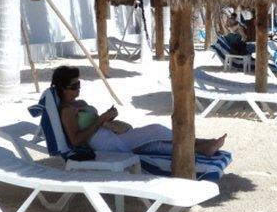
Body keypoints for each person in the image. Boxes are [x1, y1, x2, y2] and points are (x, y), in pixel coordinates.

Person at [50, 66, 227, 155]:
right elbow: (76, 140)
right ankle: (201, 142)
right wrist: (100, 119)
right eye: (74, 85)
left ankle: (200, 149)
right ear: (63, 88)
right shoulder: (67, 111)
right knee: (156, 129)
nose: (79, 88)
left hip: (112, 134)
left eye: (79, 83)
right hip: (105, 143)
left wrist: (107, 118)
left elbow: (94, 123)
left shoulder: (79, 102)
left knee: (154, 145)